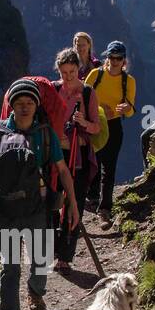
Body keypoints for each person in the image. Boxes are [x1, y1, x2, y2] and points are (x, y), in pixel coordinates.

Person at [0, 78, 80, 310]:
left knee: (41, 259)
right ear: (11, 106)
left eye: (29, 103)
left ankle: (35, 292)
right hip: (7, 209)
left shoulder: (45, 134)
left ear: (36, 105)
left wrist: (73, 203)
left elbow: (62, 169)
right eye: (19, 103)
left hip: (37, 207)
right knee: (10, 265)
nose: (24, 107)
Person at [50, 47, 101, 269]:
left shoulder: (88, 92)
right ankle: (53, 249)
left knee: (75, 203)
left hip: (77, 156)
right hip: (55, 155)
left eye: (72, 72)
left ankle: (65, 257)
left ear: (78, 69)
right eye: (64, 73)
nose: (68, 77)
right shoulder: (53, 90)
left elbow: (96, 128)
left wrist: (83, 123)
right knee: (52, 203)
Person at [84, 40, 136, 226]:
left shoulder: (128, 81)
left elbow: (130, 110)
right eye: (111, 57)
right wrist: (99, 109)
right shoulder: (95, 75)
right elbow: (81, 97)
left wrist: (125, 109)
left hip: (113, 127)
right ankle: (92, 198)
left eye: (118, 58)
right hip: (94, 124)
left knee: (109, 167)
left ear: (124, 60)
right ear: (107, 58)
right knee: (93, 163)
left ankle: (105, 209)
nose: (114, 61)